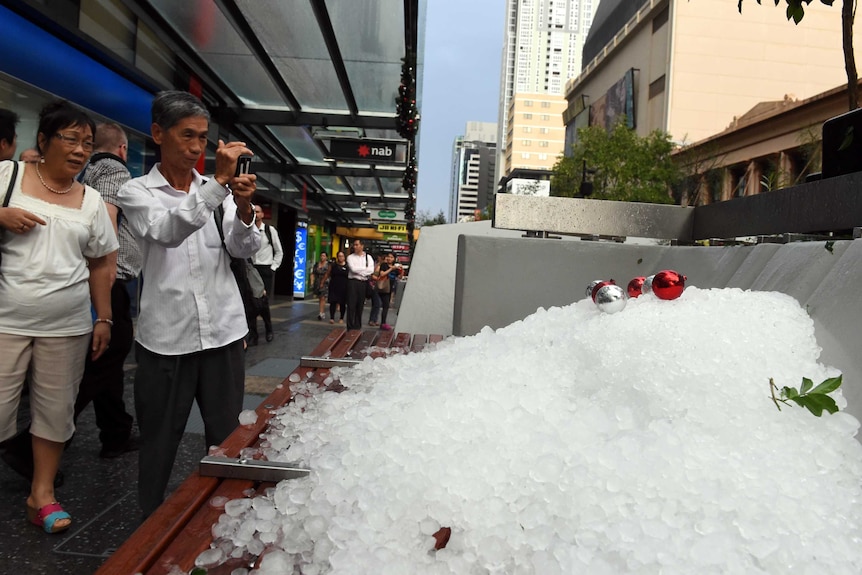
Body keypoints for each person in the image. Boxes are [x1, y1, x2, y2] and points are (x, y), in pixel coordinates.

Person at [117, 91, 259, 517]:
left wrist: (246, 204)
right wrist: (218, 185)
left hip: (224, 331)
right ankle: (148, 530)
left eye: (202, 137)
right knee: (159, 442)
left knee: (227, 437)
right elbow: (166, 230)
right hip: (166, 338)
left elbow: (242, 246)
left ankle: (228, 521)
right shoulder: (136, 191)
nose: (197, 147)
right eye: (187, 136)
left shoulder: (218, 192)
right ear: (158, 133)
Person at [0, 100, 117, 533]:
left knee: (55, 411)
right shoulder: (8, 176)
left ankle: (42, 496)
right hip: (5, 319)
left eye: (87, 143)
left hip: (67, 325)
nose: (80, 150)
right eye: (70, 139)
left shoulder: (91, 201)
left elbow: (102, 262)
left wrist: (103, 318)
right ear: (44, 141)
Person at [74, 122, 141, 458]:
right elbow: (108, 220)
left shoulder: (87, 172)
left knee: (107, 362)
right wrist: (109, 271)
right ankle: (35, 443)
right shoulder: (116, 171)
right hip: (109, 279)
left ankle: (115, 434)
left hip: (90, 276)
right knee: (105, 358)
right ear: (123, 148)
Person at [250, 205, 282, 341]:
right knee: (251, 302)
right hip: (252, 268)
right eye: (253, 212)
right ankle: (254, 334)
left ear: (262, 214)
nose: (255, 214)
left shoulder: (269, 230)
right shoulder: (248, 229)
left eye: (257, 212)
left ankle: (268, 329)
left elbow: (279, 251)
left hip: (265, 269)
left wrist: (273, 267)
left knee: (262, 301)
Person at [345, 239, 374, 330]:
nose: (355, 246)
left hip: (363, 283)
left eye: (357, 245)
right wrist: (364, 270)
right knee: (351, 304)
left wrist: (361, 271)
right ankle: (350, 327)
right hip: (353, 282)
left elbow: (370, 270)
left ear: (362, 246)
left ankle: (357, 326)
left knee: (360, 305)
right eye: (354, 245)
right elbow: (353, 269)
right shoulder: (350, 257)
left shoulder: (368, 257)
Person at [377, 253, 402, 330]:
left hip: (390, 288)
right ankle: (382, 323)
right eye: (388, 257)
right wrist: (391, 269)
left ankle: (383, 323)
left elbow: (399, 276)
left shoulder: (395, 268)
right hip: (383, 287)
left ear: (394, 259)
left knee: (386, 306)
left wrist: (401, 270)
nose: (389, 258)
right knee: (384, 305)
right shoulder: (384, 265)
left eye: (391, 257)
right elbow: (382, 274)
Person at [322, 251, 348, 324]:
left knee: (342, 303)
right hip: (334, 286)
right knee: (333, 302)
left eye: (342, 256)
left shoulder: (347, 266)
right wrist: (322, 282)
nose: (341, 258)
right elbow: (327, 274)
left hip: (344, 287)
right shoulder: (333, 265)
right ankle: (332, 317)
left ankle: (341, 318)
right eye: (339, 256)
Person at [311, 252, 330, 320]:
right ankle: (321, 311)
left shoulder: (328, 265)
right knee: (320, 297)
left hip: (325, 282)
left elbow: (328, 274)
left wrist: (323, 281)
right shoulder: (316, 264)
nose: (322, 257)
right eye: (321, 255)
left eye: (324, 256)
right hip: (317, 282)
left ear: (326, 257)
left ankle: (321, 313)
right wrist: (312, 282)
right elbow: (313, 273)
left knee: (323, 297)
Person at [368, 253, 383, 327]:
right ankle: (372, 320)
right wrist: (379, 279)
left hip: (381, 287)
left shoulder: (382, 266)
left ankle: (374, 319)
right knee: (377, 303)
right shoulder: (378, 266)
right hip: (375, 287)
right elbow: (372, 276)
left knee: (376, 304)